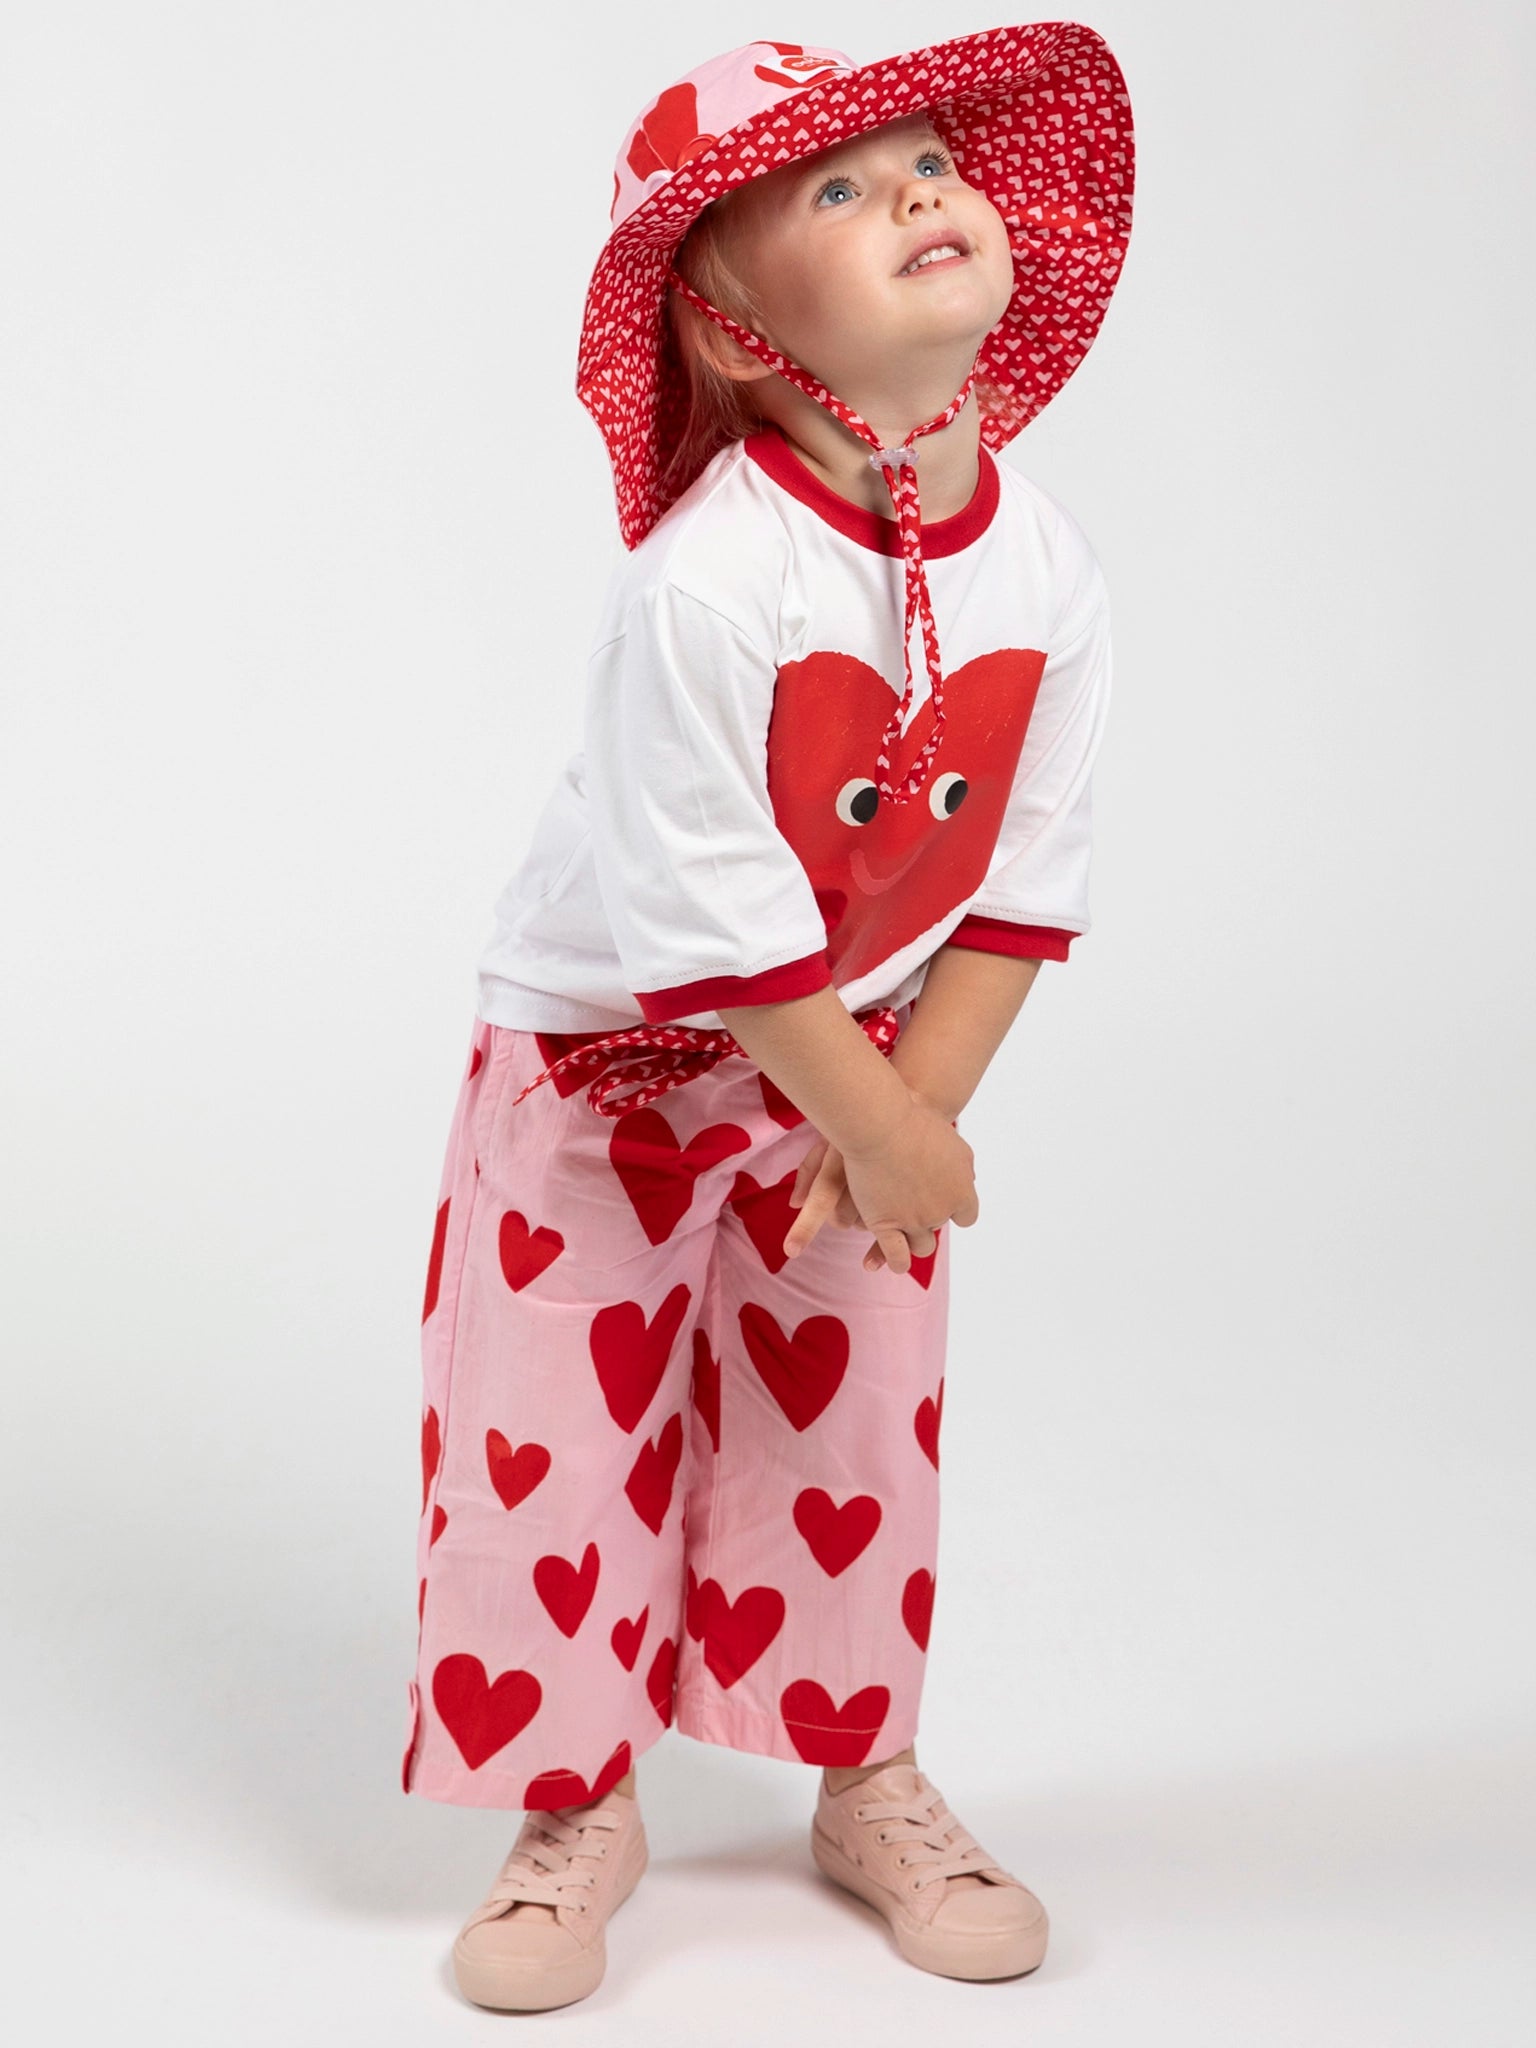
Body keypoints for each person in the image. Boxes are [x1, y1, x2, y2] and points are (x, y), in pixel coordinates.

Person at [400, 24, 1134, 2013]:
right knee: (555, 1427)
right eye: (836, 188)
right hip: (607, 1063)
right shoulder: (711, 585)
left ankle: (857, 1766)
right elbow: (697, 906)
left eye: (922, 165)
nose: (913, 192)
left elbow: (1031, 875)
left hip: (865, 1067)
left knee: (851, 1414)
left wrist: (910, 1108)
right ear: (730, 333)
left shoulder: (1047, 564)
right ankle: (572, 1796)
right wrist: (888, 1124)